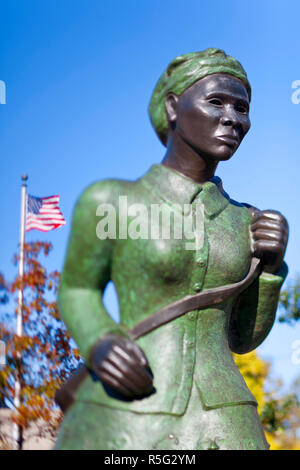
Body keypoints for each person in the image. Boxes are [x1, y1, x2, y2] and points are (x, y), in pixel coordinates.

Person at [55, 48, 288, 450]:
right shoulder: (111, 200)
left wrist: (270, 268)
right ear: (173, 106)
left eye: (242, 108)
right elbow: (78, 290)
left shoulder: (247, 221)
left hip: (226, 413)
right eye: (216, 102)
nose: (233, 118)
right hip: (127, 405)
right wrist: (100, 341)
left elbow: (243, 340)